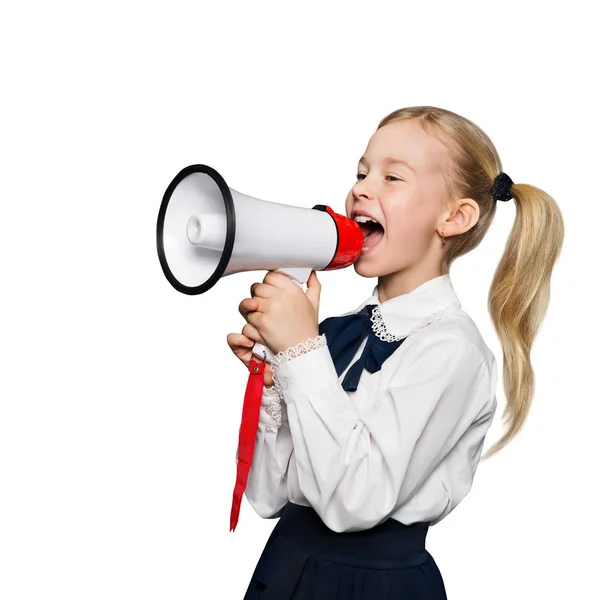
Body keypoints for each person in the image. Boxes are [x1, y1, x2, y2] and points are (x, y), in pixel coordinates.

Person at [226, 105, 564, 599]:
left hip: (373, 586)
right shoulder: (334, 335)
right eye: (362, 172)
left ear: (454, 217)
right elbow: (270, 496)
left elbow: (353, 502)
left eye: (392, 177)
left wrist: (300, 352)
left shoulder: (452, 351)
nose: (361, 188)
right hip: (288, 569)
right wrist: (278, 381)